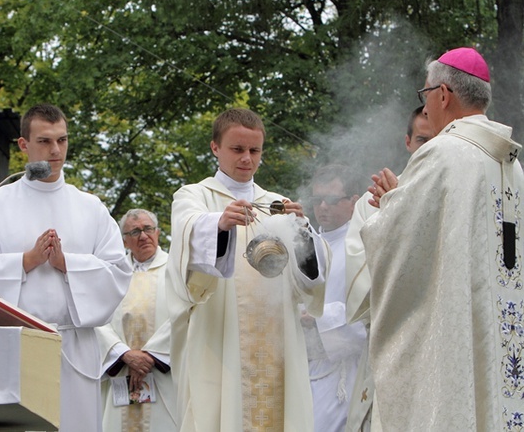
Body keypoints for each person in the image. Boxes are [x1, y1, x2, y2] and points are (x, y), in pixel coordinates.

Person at [360, 47, 524, 429]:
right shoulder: (515, 167)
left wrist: (388, 206)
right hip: (506, 331)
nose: (427, 107)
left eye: (426, 95)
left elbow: (400, 244)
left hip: (458, 326)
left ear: (443, 94)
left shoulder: (443, 154)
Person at [0, 103, 132, 432]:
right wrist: (26, 261)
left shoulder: (90, 208)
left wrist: (68, 264)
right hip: (14, 347)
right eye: (45, 141)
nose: (56, 151)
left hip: (74, 348)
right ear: (24, 145)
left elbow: (119, 273)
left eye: (62, 141)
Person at [166, 107, 330, 432]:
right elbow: (188, 241)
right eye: (237, 149)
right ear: (215, 147)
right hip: (219, 343)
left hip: (278, 342)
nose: (247, 159)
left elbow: (309, 282)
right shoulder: (196, 196)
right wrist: (219, 225)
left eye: (254, 150)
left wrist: (303, 232)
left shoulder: (278, 204)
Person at [343, 105, 434, 431]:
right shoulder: (370, 204)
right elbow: (358, 284)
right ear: (407, 142)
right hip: (390, 343)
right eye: (423, 139)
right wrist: (393, 213)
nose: (430, 148)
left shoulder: (457, 194)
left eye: (437, 139)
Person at [96, 208, 176, 432]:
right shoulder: (112, 274)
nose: (143, 236)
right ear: (124, 241)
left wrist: (151, 355)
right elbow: (95, 318)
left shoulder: (176, 270)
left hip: (162, 375)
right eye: (135, 232)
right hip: (121, 371)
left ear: (158, 233)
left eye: (148, 229)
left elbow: (184, 316)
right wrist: (123, 353)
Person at [304, 164, 365, 432]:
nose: (322, 207)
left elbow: (369, 312)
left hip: (345, 371)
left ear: (354, 201)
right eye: (317, 200)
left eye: (331, 199)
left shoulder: (363, 247)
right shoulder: (306, 243)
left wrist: (318, 318)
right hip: (304, 366)